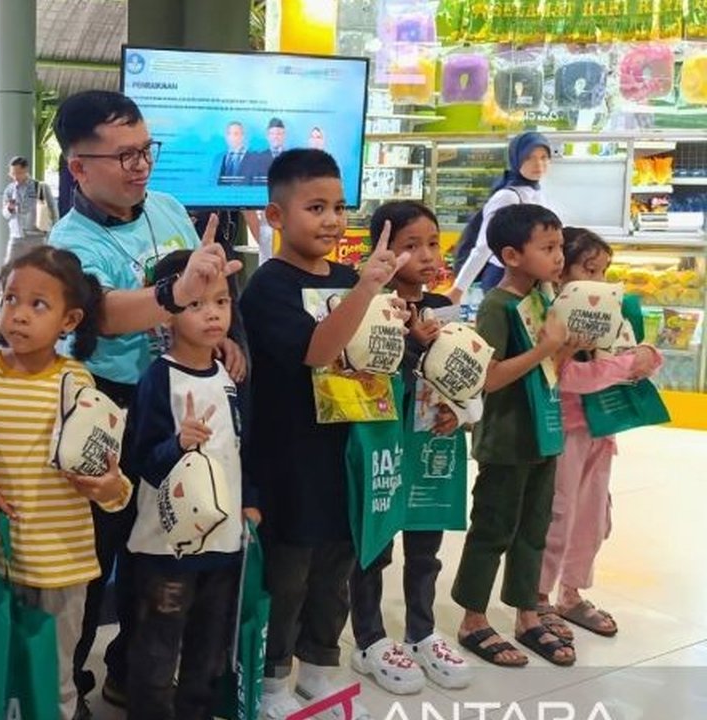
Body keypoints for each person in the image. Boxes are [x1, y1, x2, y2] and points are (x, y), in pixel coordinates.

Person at [48, 89, 245, 718]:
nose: (140, 165)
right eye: (123, 155)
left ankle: (132, 671)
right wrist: (173, 291)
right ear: (78, 166)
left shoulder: (167, 208)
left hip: (182, 397)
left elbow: (207, 290)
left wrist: (229, 340)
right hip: (113, 405)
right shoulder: (69, 240)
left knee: (161, 541)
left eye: (145, 150)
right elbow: (102, 314)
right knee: (97, 549)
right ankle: (68, 685)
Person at [241, 149, 407, 720]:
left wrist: (404, 324)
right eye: (316, 207)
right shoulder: (268, 287)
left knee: (338, 567)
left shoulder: (346, 277)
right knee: (290, 576)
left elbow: (373, 352)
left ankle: (318, 667)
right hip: (291, 458)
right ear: (276, 216)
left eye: (339, 207)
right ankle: (273, 680)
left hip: (349, 451)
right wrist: (366, 292)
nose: (333, 219)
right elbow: (317, 351)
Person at [0, 245, 131, 720]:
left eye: (39, 304)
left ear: (69, 320)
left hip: (61, 563)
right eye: (11, 299)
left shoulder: (77, 383)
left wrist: (108, 487)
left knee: (54, 675)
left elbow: (110, 483)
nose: (19, 315)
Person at [125, 249, 260, 720]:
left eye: (221, 302)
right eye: (197, 304)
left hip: (222, 542)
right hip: (166, 548)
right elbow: (141, 460)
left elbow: (239, 447)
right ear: (169, 311)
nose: (213, 314)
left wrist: (250, 501)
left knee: (208, 644)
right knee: (159, 647)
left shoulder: (228, 373)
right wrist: (178, 445)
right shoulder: (158, 378)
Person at [347, 201, 472, 694]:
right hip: (381, 444)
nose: (426, 256)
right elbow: (360, 375)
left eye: (433, 243)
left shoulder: (443, 306)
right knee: (374, 546)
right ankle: (369, 639)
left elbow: (466, 375)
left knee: (426, 547)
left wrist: (457, 411)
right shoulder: (368, 306)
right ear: (383, 251)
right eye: (410, 246)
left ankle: (421, 631)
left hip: (429, 449)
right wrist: (412, 345)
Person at [451, 203, 576, 668]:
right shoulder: (497, 306)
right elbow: (488, 377)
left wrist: (565, 351)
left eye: (560, 246)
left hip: (543, 433)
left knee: (534, 528)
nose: (558, 256)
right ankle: (474, 619)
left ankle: (527, 614)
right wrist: (546, 346)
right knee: (494, 527)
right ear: (511, 255)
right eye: (547, 248)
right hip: (505, 438)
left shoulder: (544, 300)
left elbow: (548, 373)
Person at [536, 227, 662, 639]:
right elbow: (567, 375)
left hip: (603, 432)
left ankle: (570, 593)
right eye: (590, 270)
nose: (600, 282)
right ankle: (537, 597)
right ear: (561, 272)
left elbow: (641, 355)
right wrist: (628, 366)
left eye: (605, 271)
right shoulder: (550, 315)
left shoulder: (615, 314)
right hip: (565, 432)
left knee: (592, 518)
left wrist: (644, 356)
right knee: (558, 515)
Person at [450, 132, 553, 300]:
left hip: (528, 276)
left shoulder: (537, 192)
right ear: (516, 159)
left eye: (543, 157)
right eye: (529, 158)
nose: (538, 164)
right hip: (503, 278)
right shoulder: (507, 196)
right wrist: (459, 289)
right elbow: (484, 246)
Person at [2, 155, 58, 259]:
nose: (15, 177)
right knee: (9, 268)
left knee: (40, 268)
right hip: (16, 236)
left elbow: (53, 211)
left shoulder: (39, 187)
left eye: (18, 173)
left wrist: (52, 233)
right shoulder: (10, 190)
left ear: (25, 170)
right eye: (12, 174)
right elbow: (5, 215)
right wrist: (9, 208)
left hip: (36, 236)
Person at [243, 117, 286, 184]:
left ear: (284, 136)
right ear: (267, 136)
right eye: (272, 134)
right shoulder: (258, 159)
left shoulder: (291, 159)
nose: (275, 137)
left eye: (279, 134)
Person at [216, 121, 250, 185]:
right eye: (229, 134)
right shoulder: (220, 158)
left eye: (236, 134)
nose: (232, 137)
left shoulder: (252, 159)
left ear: (242, 136)